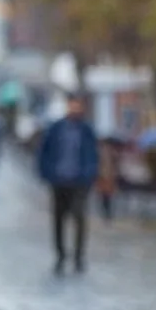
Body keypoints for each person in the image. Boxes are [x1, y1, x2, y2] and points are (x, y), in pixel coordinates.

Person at [36, 93, 99, 274]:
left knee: (79, 217)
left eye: (78, 105)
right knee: (58, 219)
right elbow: (44, 151)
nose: (75, 108)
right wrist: (47, 173)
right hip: (59, 180)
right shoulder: (56, 128)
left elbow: (93, 154)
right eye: (72, 104)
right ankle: (61, 254)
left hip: (79, 182)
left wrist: (89, 174)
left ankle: (79, 256)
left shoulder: (86, 130)